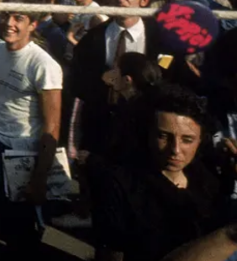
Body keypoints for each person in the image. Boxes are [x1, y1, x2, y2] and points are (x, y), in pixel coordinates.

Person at [92, 85, 226, 261]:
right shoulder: (120, 183)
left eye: (187, 140)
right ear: (147, 133)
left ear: (200, 141)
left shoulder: (208, 182)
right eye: (163, 136)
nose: (175, 150)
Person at [0, 0, 62, 208]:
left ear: (32, 25)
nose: (9, 23)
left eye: (18, 18)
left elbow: (52, 125)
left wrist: (40, 176)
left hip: (24, 149)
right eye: (6, 16)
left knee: (19, 215)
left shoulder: (43, 65)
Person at [69, 0, 160, 161]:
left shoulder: (159, 37)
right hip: (101, 133)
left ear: (143, 0)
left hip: (147, 130)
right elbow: (77, 85)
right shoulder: (91, 39)